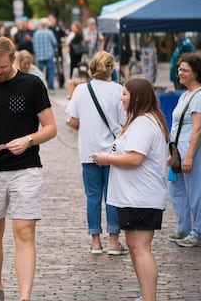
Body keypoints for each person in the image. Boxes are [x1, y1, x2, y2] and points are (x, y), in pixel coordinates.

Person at [0, 37, 57, 301]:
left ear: (13, 59)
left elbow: (51, 128)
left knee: (24, 231)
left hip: (26, 168)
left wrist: (28, 140)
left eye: (2, 67)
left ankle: (24, 296)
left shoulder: (32, 84)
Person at [90, 77, 170, 301]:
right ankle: (146, 296)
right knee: (136, 248)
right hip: (133, 196)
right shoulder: (141, 120)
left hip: (140, 197)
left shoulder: (144, 123)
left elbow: (135, 158)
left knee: (141, 248)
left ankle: (149, 297)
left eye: (124, 94)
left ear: (136, 97)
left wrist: (106, 158)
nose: (121, 98)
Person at [66, 51, 127, 255]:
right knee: (112, 197)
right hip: (113, 152)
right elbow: (123, 123)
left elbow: (73, 121)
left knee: (92, 197)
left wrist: (87, 130)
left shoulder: (81, 90)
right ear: (111, 68)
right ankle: (113, 242)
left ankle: (95, 242)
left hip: (89, 152)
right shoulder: (118, 90)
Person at [169, 53, 201, 248]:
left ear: (196, 73)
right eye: (179, 69)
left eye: (184, 70)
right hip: (180, 149)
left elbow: (198, 128)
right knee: (177, 188)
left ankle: (199, 232)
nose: (180, 72)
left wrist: (189, 155)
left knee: (197, 190)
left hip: (197, 147)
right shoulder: (186, 94)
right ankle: (184, 228)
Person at [33, 18, 58, 92]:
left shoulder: (36, 33)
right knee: (50, 72)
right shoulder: (49, 32)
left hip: (39, 55)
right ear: (47, 25)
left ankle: (38, 87)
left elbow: (34, 44)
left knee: (39, 72)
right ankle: (51, 88)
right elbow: (55, 43)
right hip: (49, 55)